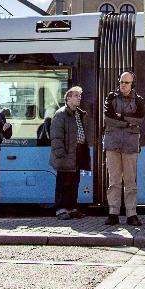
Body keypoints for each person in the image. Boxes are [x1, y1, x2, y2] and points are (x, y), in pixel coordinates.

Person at [102, 70, 145, 226]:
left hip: (130, 144)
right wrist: (128, 122)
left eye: (126, 82)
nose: (123, 85)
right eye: (121, 82)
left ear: (132, 84)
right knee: (114, 181)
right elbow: (108, 118)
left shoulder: (140, 100)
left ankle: (131, 214)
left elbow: (140, 119)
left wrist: (120, 116)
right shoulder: (111, 97)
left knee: (130, 181)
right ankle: (113, 213)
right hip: (112, 143)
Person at [50, 86, 90, 220]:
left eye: (80, 96)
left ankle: (72, 208)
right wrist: (61, 154)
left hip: (77, 152)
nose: (79, 98)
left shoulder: (78, 113)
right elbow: (56, 136)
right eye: (76, 96)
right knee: (63, 182)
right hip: (66, 153)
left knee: (74, 182)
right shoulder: (61, 114)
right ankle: (61, 210)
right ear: (68, 98)